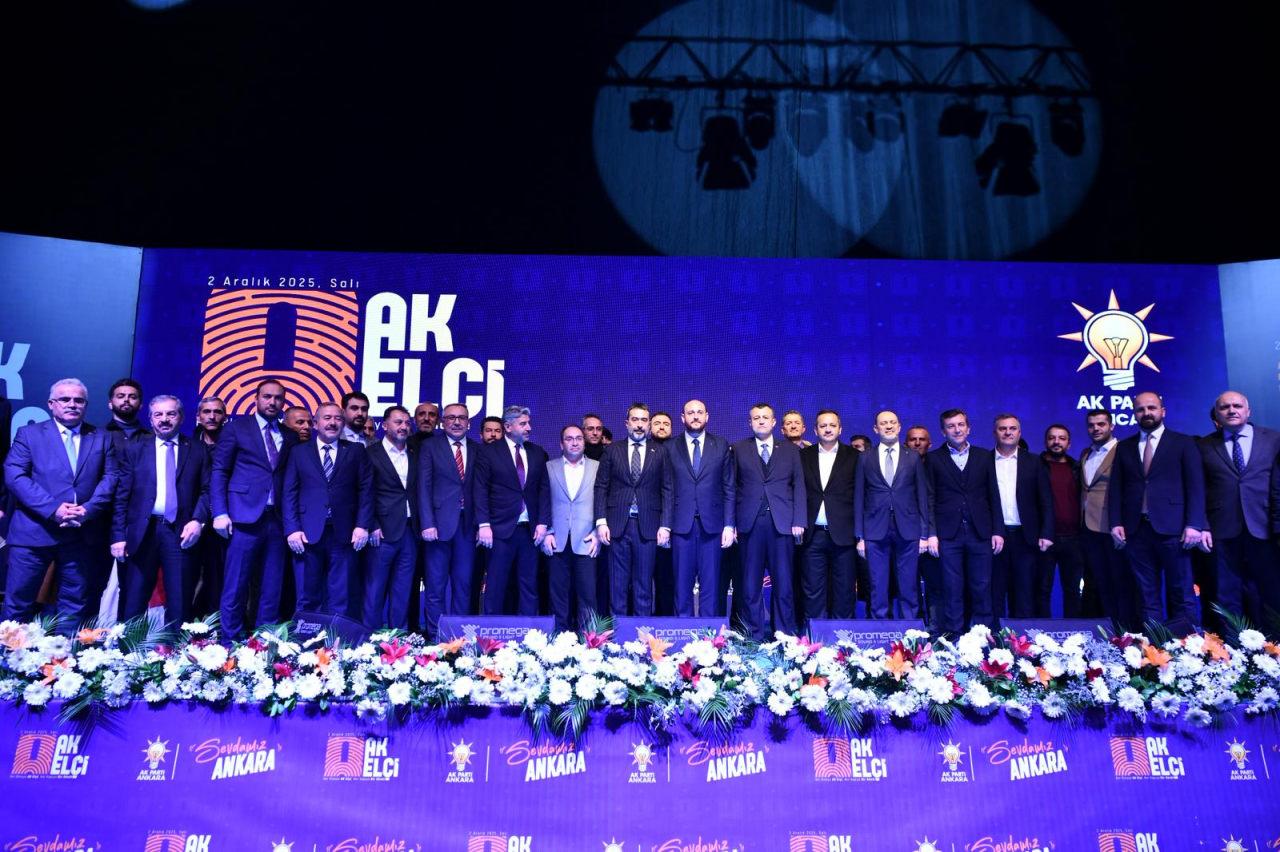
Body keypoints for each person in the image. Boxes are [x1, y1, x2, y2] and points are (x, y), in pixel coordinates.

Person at [3, 379, 118, 631]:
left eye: (79, 400)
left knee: (74, 605)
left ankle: (64, 655)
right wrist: (53, 509)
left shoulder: (101, 437)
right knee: (18, 604)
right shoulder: (29, 434)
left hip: (80, 534)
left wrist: (88, 510)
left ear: (86, 405)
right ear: (51, 404)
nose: (72, 404)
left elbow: (111, 478)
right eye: (65, 399)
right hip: (34, 533)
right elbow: (14, 475)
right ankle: (8, 655)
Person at [1107, 392, 1206, 636]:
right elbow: (1116, 487)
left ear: (1163, 411)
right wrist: (1115, 522)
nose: (1146, 413)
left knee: (1181, 592)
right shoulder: (1125, 447)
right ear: (1134, 414)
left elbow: (1195, 486)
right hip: (1136, 530)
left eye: (1151, 408)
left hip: (1174, 530)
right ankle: (1155, 648)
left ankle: (1189, 648)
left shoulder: (1183, 442)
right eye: (1140, 409)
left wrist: (1195, 524)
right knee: (1146, 595)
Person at [110, 395, 210, 626]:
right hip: (141, 533)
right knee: (133, 599)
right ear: (151, 419)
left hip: (180, 532)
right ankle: (130, 647)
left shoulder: (198, 449)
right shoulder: (135, 449)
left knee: (180, 599)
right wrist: (118, 536)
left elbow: (207, 490)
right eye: (159, 414)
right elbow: (121, 496)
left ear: (181, 417)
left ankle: (173, 648)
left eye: (171, 414)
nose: (164, 419)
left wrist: (198, 520)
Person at [211, 378, 297, 639]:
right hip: (243, 517)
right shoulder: (236, 428)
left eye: (278, 398)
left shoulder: (290, 435)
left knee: (272, 585)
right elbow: (220, 471)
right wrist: (220, 512)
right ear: (256, 399)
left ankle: (264, 640)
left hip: (277, 519)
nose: (272, 402)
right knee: (236, 583)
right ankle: (230, 639)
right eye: (267, 396)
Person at [282, 402, 372, 618]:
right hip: (306, 533)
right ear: (315, 423)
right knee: (307, 594)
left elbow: (366, 491)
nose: (333, 423)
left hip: (344, 533)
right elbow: (289, 492)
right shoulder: (299, 452)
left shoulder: (356, 451)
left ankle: (336, 638)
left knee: (341, 594)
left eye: (338, 418)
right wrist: (292, 529)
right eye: (327, 418)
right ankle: (306, 637)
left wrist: (362, 525)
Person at [1198, 391, 1280, 622]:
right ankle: (1232, 643)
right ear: (1217, 414)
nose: (1231, 410)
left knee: (1271, 592)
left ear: (1248, 411)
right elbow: (1198, 489)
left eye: (1237, 406)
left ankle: (1274, 642)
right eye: (1225, 407)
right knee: (1227, 594)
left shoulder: (1274, 440)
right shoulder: (1204, 445)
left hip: (1264, 527)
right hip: (1222, 529)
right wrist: (1202, 525)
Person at [927, 408, 1004, 636]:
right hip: (947, 534)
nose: (957, 429)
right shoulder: (933, 458)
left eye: (961, 425)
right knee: (952, 588)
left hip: (980, 532)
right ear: (943, 431)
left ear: (968, 428)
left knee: (982, 586)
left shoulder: (984, 456)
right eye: (951, 426)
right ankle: (954, 636)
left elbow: (993, 495)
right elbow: (929, 498)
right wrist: (931, 533)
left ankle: (983, 637)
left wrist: (998, 530)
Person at [733, 403, 805, 638]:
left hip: (782, 524)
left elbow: (799, 486)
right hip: (749, 524)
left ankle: (784, 635)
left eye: (765, 417)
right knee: (750, 585)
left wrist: (799, 519)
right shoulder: (739, 449)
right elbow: (732, 488)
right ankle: (753, 635)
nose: (761, 421)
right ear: (750, 422)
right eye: (756, 418)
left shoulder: (790, 450)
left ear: (774, 422)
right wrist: (731, 523)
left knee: (783, 584)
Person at [594, 404, 672, 617]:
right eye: (635, 420)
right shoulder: (612, 450)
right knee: (617, 586)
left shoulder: (660, 452)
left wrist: (665, 525)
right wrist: (601, 521)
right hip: (617, 526)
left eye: (644, 420)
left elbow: (667, 489)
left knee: (644, 587)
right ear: (626, 423)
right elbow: (601, 487)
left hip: (648, 527)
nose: (639, 425)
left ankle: (642, 633)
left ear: (648, 424)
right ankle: (619, 634)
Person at [855, 410, 934, 620]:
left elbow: (922, 496)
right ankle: (879, 629)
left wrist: (924, 534)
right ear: (876, 429)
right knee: (877, 585)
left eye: (892, 422)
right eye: (883, 423)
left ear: (899, 427)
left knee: (908, 585)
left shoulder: (913, 457)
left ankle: (912, 631)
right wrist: (860, 536)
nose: (888, 426)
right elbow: (859, 497)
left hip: (908, 528)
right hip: (874, 529)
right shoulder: (865, 457)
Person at [474, 405, 551, 615]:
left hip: (530, 530)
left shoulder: (537, 452)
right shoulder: (488, 452)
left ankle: (530, 632)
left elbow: (544, 490)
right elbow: (480, 490)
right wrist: (483, 524)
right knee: (496, 585)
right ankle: (491, 632)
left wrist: (543, 523)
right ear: (508, 427)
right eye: (523, 424)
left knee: (529, 585)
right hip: (499, 530)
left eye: (529, 423)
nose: (529, 428)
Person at [667, 399, 735, 618]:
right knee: (681, 586)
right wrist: (665, 525)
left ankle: (709, 634)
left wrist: (729, 524)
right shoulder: (670, 447)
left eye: (699, 412)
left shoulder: (721, 445)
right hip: (681, 526)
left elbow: (729, 487)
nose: (695, 416)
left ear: (707, 416)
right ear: (682, 417)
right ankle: (683, 632)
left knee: (711, 587)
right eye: (690, 413)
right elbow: (667, 489)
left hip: (712, 527)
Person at [418, 402, 481, 636]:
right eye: (451, 417)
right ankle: (436, 637)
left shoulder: (477, 449)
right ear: (442, 422)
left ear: (469, 423)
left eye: (461, 418)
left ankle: (459, 637)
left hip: (467, 526)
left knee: (463, 585)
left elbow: (481, 490)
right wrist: (427, 523)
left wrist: (481, 523)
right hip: (437, 526)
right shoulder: (430, 446)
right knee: (435, 586)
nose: (456, 422)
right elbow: (423, 487)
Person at [990, 414, 1054, 620]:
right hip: (994, 537)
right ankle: (995, 638)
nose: (1008, 432)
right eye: (1003, 428)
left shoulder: (1034, 462)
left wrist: (1046, 532)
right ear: (995, 432)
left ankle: (1022, 639)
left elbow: (1046, 500)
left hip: (1026, 538)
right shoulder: (984, 461)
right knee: (995, 593)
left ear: (1019, 432)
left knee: (1024, 593)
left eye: (1012, 428)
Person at [801, 409, 859, 621]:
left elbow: (860, 496)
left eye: (832, 425)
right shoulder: (803, 456)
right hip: (813, 534)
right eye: (823, 425)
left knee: (844, 590)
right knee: (813, 590)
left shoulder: (855, 457)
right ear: (815, 430)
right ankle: (814, 636)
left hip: (844, 535)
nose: (828, 429)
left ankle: (842, 636)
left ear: (840, 429)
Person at [364, 406, 418, 630]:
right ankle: (369, 638)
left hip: (410, 530)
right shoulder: (370, 453)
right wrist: (372, 524)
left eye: (406, 422)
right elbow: (364, 493)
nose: (404, 426)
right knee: (375, 589)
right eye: (398, 422)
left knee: (403, 589)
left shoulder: (415, 453)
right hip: (381, 530)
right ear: (384, 425)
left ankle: (398, 639)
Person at [542, 425, 600, 631]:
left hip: (587, 540)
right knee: (558, 596)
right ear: (561, 444)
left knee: (588, 596)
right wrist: (547, 531)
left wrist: (597, 532)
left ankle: (590, 642)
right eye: (569, 439)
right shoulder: (549, 467)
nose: (574, 442)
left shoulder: (597, 467)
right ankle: (560, 640)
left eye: (579, 438)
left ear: (584, 442)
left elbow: (603, 501)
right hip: (556, 540)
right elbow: (542, 501)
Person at [1079, 409, 1131, 628]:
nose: (1096, 428)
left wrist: (1123, 523)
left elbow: (1129, 490)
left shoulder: (1123, 451)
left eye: (1101, 424)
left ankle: (1126, 632)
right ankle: (1109, 632)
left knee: (1121, 584)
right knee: (1100, 584)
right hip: (1088, 528)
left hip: (1113, 527)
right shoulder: (1086, 453)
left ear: (1112, 426)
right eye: (1091, 425)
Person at [1038, 424, 1085, 617]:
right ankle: (1041, 632)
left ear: (1069, 443)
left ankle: (1074, 632)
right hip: (1044, 538)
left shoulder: (1077, 468)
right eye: (1052, 438)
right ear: (1045, 441)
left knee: (1073, 591)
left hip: (1074, 539)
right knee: (1042, 590)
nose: (1056, 442)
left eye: (1062, 438)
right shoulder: (1036, 466)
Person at [192, 396, 227, 617]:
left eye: (217, 412)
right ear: (198, 416)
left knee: (218, 576)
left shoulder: (235, 445)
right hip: (192, 520)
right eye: (206, 412)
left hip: (223, 522)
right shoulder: (188, 445)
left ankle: (215, 623)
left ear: (225, 417)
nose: (212, 416)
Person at [104, 378, 149, 450]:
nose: (126, 400)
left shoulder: (152, 437)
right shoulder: (99, 436)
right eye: (120, 396)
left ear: (140, 405)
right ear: (110, 404)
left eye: (133, 397)